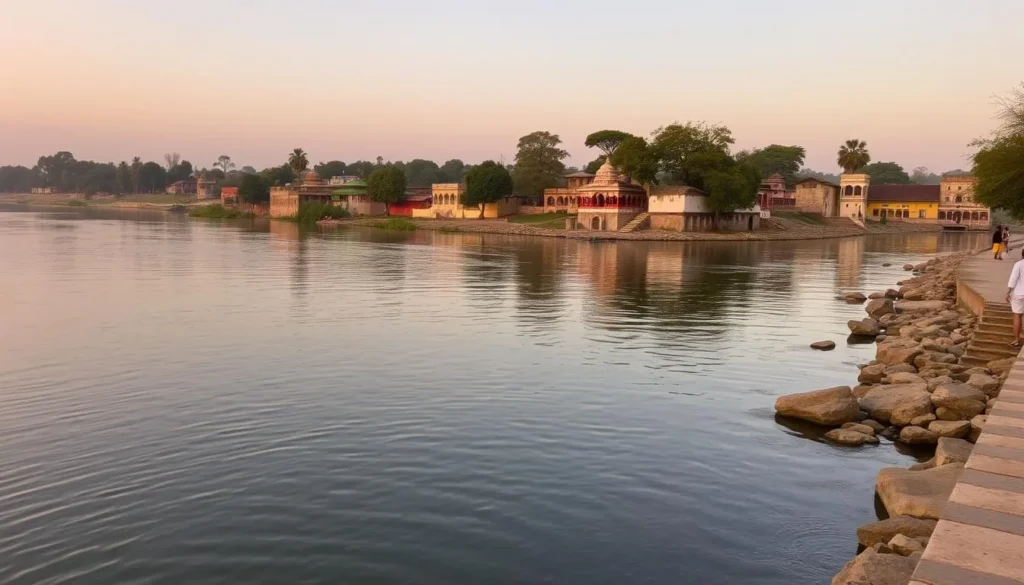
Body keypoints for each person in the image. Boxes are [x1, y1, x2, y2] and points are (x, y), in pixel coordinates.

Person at [1007, 248, 1024, 347]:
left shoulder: (1018, 264)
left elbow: (1013, 279)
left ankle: (1017, 339)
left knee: (1017, 316)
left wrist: (1008, 292)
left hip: (1019, 294)